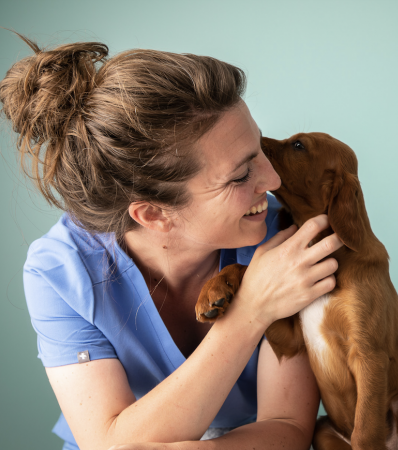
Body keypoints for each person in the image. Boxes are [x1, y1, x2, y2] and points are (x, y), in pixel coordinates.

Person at [0, 33, 343, 450]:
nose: (272, 181)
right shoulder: (60, 271)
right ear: (154, 214)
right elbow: (107, 442)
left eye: (258, 152)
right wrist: (253, 309)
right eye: (240, 175)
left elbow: (288, 426)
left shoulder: (284, 239)